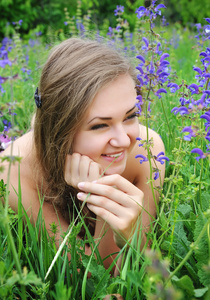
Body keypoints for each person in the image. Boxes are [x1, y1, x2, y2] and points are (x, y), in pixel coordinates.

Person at [0, 37, 165, 273]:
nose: (123, 140)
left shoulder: (147, 150)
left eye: (130, 116)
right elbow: (86, 274)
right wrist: (105, 204)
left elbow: (142, 260)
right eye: (99, 126)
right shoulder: (15, 171)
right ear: (61, 130)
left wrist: (124, 227)